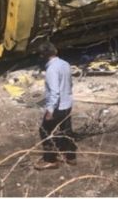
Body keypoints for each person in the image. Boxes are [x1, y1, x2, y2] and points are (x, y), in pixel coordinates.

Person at [34, 41, 76, 170]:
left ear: (42, 56)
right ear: (55, 51)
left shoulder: (51, 69)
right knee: (66, 130)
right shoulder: (65, 64)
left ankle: (50, 160)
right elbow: (70, 83)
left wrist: (50, 110)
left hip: (57, 106)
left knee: (45, 131)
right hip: (67, 103)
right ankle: (70, 157)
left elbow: (54, 91)